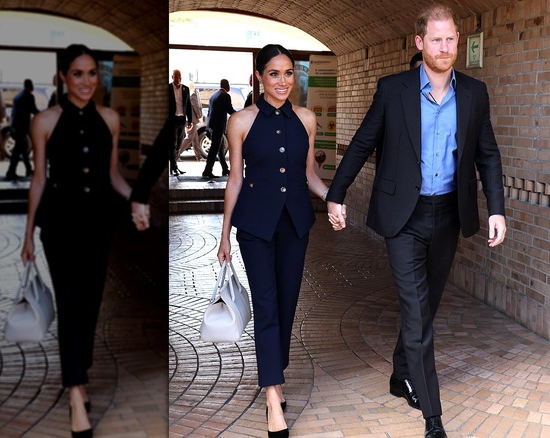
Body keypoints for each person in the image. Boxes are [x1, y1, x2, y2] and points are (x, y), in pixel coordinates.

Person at [325, 4, 506, 437]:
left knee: (427, 309)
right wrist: (336, 194)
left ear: (457, 42)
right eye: (436, 39)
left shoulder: (475, 93)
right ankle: (433, 417)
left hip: (447, 215)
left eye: (451, 39)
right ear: (420, 43)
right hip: (402, 217)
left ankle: (399, 373)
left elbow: (488, 154)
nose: (444, 48)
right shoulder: (394, 90)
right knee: (416, 311)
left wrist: (496, 207)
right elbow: (362, 143)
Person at [217, 44, 344, 438]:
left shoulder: (306, 119)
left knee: (287, 304)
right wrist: (224, 234)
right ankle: (273, 394)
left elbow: (308, 174)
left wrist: (331, 199)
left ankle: (275, 373)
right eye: (274, 73)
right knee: (267, 304)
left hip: (294, 226)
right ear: (258, 76)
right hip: (255, 226)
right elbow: (234, 179)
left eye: (289, 73)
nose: (283, 81)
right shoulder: (239, 121)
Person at [20, 44, 133, 438]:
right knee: (70, 303)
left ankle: (77, 373)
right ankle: (75, 390)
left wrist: (135, 200)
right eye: (78, 73)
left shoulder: (110, 118)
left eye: (91, 73)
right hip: (59, 224)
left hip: (99, 223)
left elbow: (113, 174)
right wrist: (28, 234)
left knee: (90, 304)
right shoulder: (44, 121)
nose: (86, 81)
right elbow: (38, 180)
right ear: (63, 77)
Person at [5, 78, 40, 180]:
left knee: (23, 149)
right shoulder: (29, 96)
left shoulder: (17, 96)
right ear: (30, 85)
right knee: (17, 151)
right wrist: (43, 115)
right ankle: (10, 172)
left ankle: (28, 169)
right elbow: (33, 110)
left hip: (15, 126)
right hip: (22, 127)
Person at [202, 79, 235, 178]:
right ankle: (207, 171)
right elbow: (230, 110)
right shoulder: (225, 95)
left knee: (220, 149)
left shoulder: (213, 96)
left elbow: (209, 112)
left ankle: (225, 169)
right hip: (218, 126)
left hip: (212, 126)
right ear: (227, 86)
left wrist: (208, 127)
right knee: (214, 149)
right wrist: (240, 115)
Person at [169, 69, 192, 176]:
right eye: (175, 76)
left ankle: (174, 166)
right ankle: (174, 168)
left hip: (182, 120)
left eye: (179, 76)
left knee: (179, 144)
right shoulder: (168, 88)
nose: (177, 78)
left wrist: (190, 120)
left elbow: (188, 106)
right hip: (172, 120)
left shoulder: (185, 89)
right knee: (172, 144)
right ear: (172, 77)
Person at [177, 81, 204, 161]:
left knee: (195, 139)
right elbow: (195, 107)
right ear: (193, 87)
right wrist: (199, 117)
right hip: (192, 120)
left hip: (188, 119)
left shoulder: (186, 95)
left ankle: (199, 156)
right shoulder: (193, 95)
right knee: (189, 138)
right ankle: (176, 154)